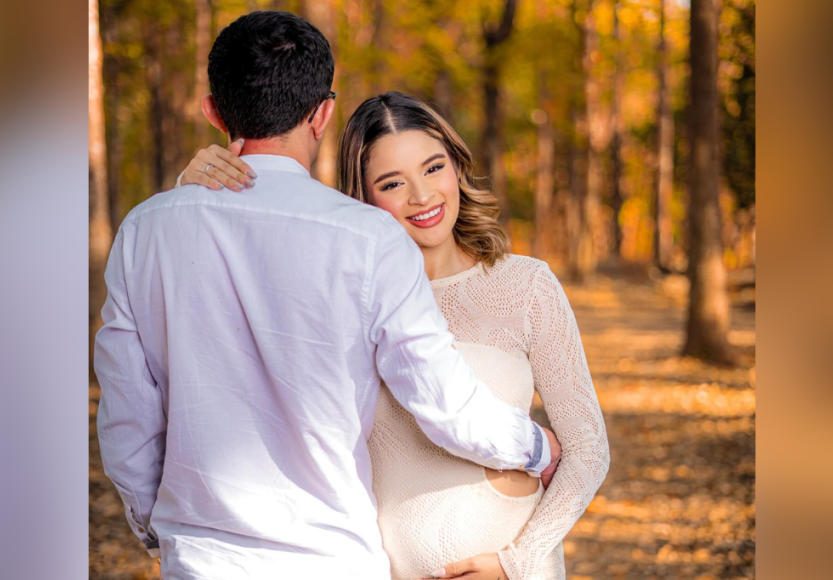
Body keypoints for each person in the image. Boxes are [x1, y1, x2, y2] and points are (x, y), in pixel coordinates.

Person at [94, 12, 559, 580]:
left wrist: (156, 528)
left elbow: (127, 417)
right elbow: (442, 399)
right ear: (323, 113)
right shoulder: (369, 237)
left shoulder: (144, 232)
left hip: (200, 556)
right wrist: (534, 447)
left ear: (213, 110)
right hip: (332, 558)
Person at [179, 92, 610, 580]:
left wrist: (518, 562)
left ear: (457, 165)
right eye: (392, 183)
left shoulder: (525, 285)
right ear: (364, 197)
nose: (422, 197)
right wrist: (192, 187)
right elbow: (227, 283)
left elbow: (588, 447)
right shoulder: (336, 292)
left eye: (433, 168)